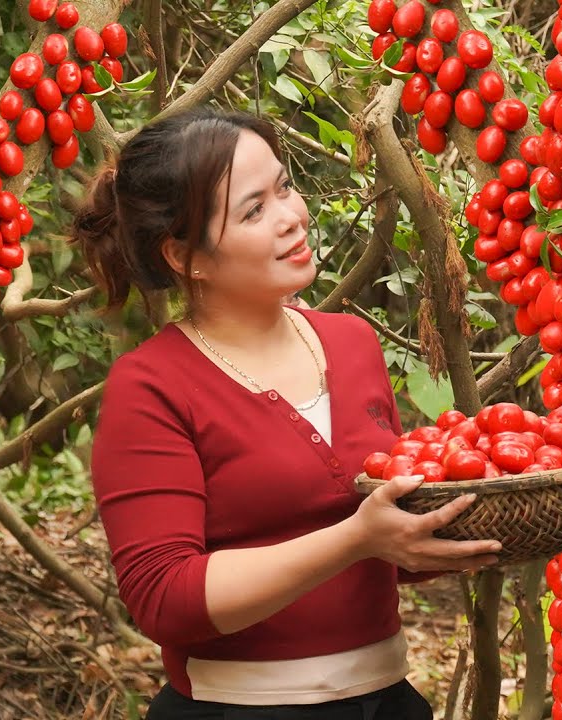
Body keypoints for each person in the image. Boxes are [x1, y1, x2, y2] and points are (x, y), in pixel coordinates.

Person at [73, 107, 503, 720]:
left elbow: (387, 547)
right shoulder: (151, 385)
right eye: (253, 210)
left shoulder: (352, 343)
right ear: (184, 256)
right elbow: (162, 598)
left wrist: (446, 527)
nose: (291, 217)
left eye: (284, 187)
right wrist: (355, 540)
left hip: (386, 701)